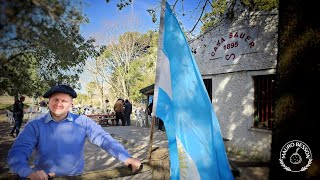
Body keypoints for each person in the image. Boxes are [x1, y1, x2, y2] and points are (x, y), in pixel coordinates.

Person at [7, 85, 141, 179]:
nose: (59, 103)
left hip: (76, 178)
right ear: (49, 102)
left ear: (71, 103)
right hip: (44, 178)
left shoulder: (83, 121)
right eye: (55, 100)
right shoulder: (35, 125)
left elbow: (104, 139)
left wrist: (125, 157)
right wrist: (27, 172)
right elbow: (18, 152)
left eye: (64, 100)